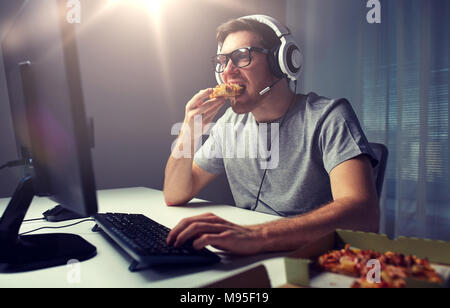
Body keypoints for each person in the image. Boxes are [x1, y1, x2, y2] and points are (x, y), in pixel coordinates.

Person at [163, 15, 380, 256]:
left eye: (242, 56)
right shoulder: (229, 124)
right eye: (222, 62)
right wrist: (188, 131)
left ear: (281, 61)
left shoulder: (328, 116)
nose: (227, 72)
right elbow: (175, 193)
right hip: (248, 254)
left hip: (311, 259)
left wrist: (258, 235)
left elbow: (365, 214)